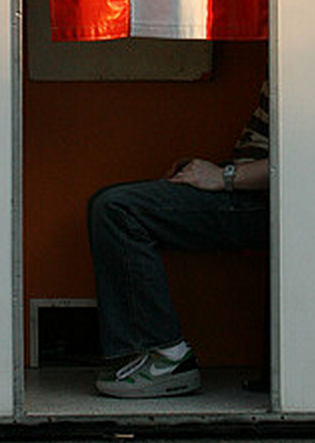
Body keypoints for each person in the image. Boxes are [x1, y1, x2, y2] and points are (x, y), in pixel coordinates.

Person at [87, 80, 269, 398]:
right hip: (246, 186)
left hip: (264, 201)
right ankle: (160, 354)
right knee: (114, 203)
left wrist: (225, 177)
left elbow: (310, 154)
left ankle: (166, 356)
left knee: (118, 210)